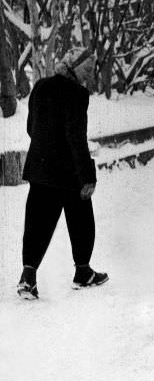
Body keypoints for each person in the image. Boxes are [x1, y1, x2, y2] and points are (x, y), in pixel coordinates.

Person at [17, 47, 108, 299]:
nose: (88, 75)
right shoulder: (77, 94)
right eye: (86, 69)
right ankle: (83, 272)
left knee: (36, 222)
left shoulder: (41, 86)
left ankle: (28, 277)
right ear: (74, 67)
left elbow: (31, 127)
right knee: (81, 216)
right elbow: (75, 136)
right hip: (67, 171)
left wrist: (45, 149)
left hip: (39, 166)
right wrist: (87, 176)